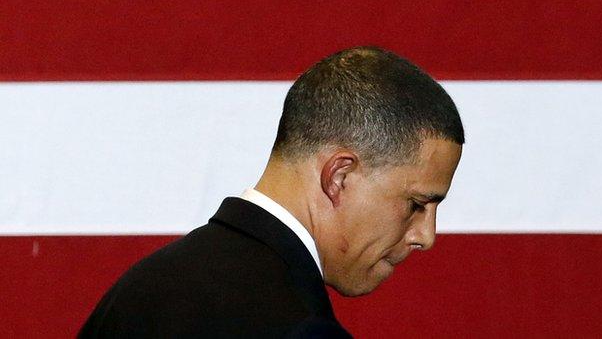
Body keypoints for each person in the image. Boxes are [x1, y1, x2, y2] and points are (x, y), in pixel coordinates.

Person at [80, 47, 465, 338]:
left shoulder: (137, 293)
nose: (425, 236)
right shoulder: (299, 328)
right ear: (339, 177)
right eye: (416, 204)